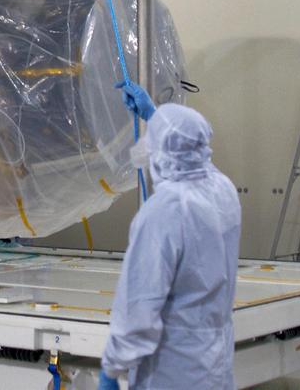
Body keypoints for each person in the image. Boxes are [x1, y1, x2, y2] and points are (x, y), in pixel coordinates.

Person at [98, 103, 242, 390]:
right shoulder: (223, 190)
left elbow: (140, 307)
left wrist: (112, 368)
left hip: (173, 370)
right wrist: (158, 118)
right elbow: (194, 155)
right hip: (215, 364)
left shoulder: (165, 210)